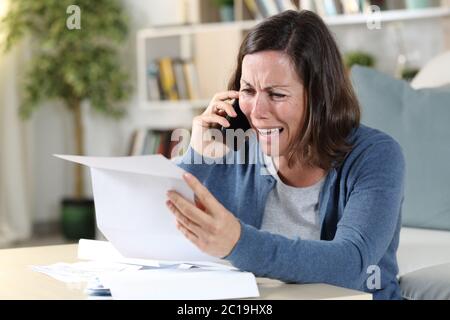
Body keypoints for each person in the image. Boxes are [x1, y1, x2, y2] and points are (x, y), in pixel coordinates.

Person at [165, 10, 405, 300]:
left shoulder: (376, 155)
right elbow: (161, 238)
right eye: (248, 90)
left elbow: (350, 263)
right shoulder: (231, 145)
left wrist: (238, 242)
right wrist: (197, 157)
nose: (257, 111)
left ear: (319, 98)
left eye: (276, 94)